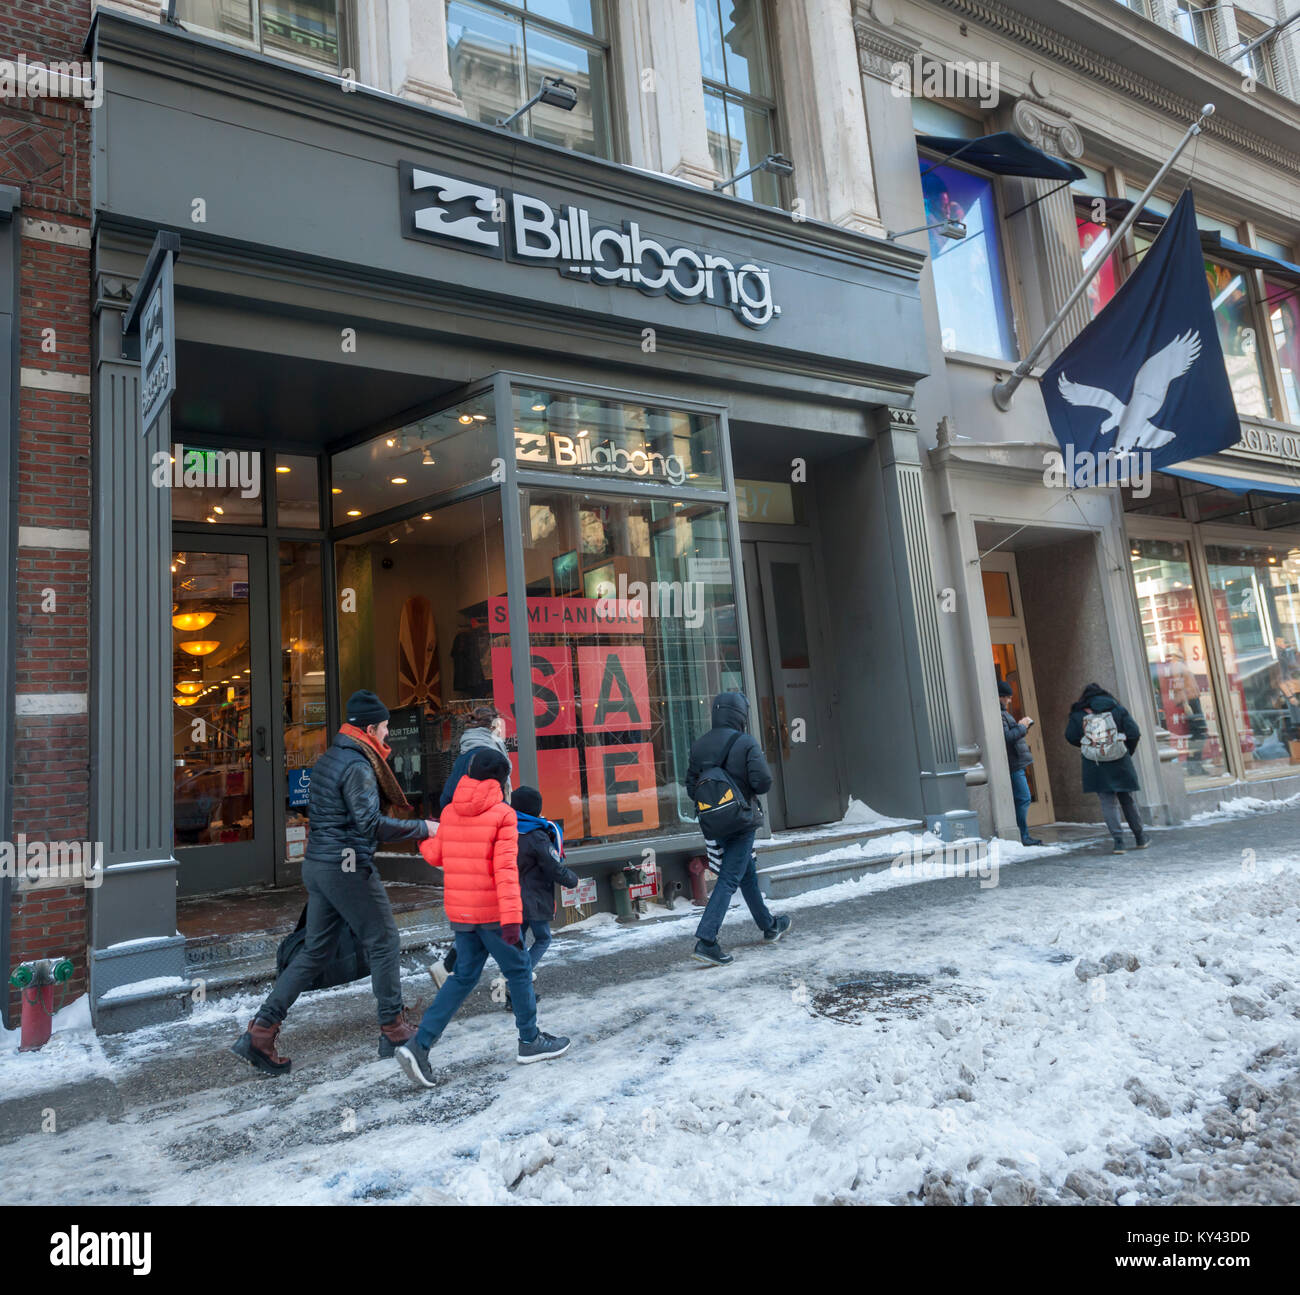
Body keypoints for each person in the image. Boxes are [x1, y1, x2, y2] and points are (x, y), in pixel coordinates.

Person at [231, 690, 436, 1075]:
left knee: (315, 951)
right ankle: (393, 1027)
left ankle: (261, 1030)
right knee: (385, 939)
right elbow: (370, 824)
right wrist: (425, 827)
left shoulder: (331, 757)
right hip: (346, 867)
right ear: (371, 728)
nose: (388, 736)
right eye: (386, 727)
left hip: (321, 866)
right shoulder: (358, 765)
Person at [395, 748, 569, 1088]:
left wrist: (422, 838)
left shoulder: (451, 812)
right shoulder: (502, 814)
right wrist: (510, 921)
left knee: (462, 978)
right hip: (493, 913)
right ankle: (529, 1039)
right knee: (519, 970)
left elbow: (434, 855)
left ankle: (420, 1044)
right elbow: (505, 872)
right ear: (501, 780)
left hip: (462, 913)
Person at [685, 690, 791, 966]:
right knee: (730, 878)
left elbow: (690, 788)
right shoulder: (745, 742)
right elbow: (763, 783)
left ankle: (769, 925)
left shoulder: (699, 746)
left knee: (746, 875)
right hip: (742, 822)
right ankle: (707, 940)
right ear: (740, 714)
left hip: (715, 822)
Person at [430, 705, 513, 990]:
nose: (504, 730)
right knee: (497, 910)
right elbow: (449, 798)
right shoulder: (479, 754)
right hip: (486, 841)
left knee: (487, 914)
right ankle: (516, 978)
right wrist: (481, 820)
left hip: (492, 836)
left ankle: (449, 967)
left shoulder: (476, 750)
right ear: (492, 727)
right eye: (501, 724)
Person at [1065, 682, 1149, 855]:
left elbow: (1070, 736)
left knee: (1107, 803)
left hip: (1095, 762)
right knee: (1128, 799)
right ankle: (1140, 837)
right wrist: (1126, 751)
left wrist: (1088, 746)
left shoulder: (1079, 713)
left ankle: (1119, 842)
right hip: (1120, 760)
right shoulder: (1117, 708)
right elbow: (1134, 732)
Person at [999, 679, 1042, 847]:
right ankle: (1022, 835)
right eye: (1007, 697)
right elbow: (1007, 737)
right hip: (1014, 763)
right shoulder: (999, 713)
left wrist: (1021, 727)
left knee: (1022, 798)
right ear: (1000, 697)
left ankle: (1023, 834)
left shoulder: (1003, 713)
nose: (1010, 701)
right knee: (1023, 797)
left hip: (1016, 762)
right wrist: (1022, 727)